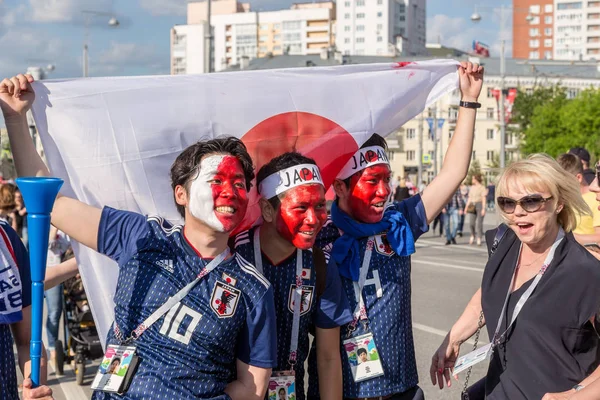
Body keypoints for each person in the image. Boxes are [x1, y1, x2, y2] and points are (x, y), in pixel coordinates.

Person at [1, 74, 277, 400]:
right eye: (216, 181)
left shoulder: (254, 289)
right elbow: (53, 204)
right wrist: (15, 118)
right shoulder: (140, 235)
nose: (230, 193)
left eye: (240, 184)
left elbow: (252, 388)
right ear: (181, 193)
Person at [308, 61, 484, 400]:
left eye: (387, 179)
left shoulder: (399, 222)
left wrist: (469, 102)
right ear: (340, 187)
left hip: (402, 390)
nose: (384, 191)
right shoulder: (317, 235)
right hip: (341, 392)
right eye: (372, 181)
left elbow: (452, 174)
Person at [431, 154, 600, 400]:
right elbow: (491, 292)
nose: (517, 212)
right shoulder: (504, 243)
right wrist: (454, 337)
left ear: (559, 203)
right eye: (507, 203)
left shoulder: (585, 271)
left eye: (531, 201)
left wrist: (571, 397)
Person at [233, 152, 351, 400]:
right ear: (267, 209)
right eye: (301, 207)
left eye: (320, 205)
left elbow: (329, 358)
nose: (314, 219)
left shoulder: (321, 264)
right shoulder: (233, 254)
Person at [557, 153, 600, 245]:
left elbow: (598, 238)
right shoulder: (563, 199)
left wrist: (564, 237)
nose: (559, 185)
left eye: (563, 181)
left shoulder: (596, 199)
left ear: (578, 178)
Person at [44, 226, 70, 373]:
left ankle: (70, 347)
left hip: (69, 273)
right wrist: (55, 226)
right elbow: (49, 243)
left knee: (71, 313)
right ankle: (53, 347)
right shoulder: (49, 224)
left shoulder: (70, 225)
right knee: (54, 312)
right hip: (51, 271)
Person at [464, 174, 487, 246]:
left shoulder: (482, 187)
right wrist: (466, 207)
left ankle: (479, 238)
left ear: (476, 179)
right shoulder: (472, 187)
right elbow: (469, 198)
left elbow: (483, 198)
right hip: (472, 205)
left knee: (479, 223)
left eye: (473, 178)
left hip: (479, 204)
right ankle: (472, 235)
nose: (472, 180)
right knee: (471, 223)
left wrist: (483, 208)